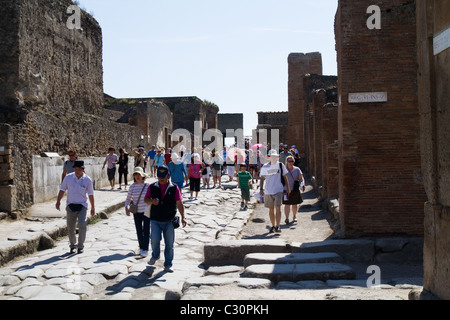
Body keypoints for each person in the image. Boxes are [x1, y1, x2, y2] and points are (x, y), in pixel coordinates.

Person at [144, 165, 187, 272]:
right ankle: (155, 255)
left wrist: (183, 217)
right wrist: (152, 201)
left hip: (169, 220)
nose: (161, 178)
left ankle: (168, 264)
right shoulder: (152, 186)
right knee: (154, 240)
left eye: (163, 176)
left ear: (168, 175)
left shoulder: (174, 187)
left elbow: (179, 203)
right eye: (159, 176)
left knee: (169, 243)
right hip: (155, 219)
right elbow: (146, 199)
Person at [56, 161, 95, 254]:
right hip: (70, 205)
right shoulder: (68, 177)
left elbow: (90, 194)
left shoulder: (87, 180)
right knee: (70, 227)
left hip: (82, 206)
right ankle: (72, 245)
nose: (77, 171)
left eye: (79, 169)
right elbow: (62, 189)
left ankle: (80, 246)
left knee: (82, 225)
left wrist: (93, 207)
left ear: (83, 170)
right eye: (75, 169)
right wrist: (58, 201)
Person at [259, 150, 290, 233]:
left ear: (277, 157)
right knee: (271, 209)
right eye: (272, 156)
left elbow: (285, 176)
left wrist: (287, 187)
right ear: (269, 157)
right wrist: (261, 189)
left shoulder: (280, 165)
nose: (273, 158)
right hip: (268, 190)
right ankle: (273, 225)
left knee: (278, 207)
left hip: (278, 190)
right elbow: (262, 178)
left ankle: (278, 226)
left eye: (274, 156)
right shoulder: (265, 167)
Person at [125, 167, 150, 257]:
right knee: (139, 230)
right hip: (136, 212)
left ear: (142, 175)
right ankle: (141, 247)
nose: (137, 176)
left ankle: (146, 248)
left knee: (146, 230)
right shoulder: (132, 186)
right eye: (135, 174)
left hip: (146, 211)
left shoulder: (148, 186)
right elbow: (128, 198)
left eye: (138, 174)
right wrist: (126, 207)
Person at [283, 155, 306, 224]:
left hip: (295, 189)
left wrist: (303, 183)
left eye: (292, 161)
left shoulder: (297, 169)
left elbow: (301, 178)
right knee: (287, 204)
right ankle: (287, 218)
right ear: (286, 162)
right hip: (286, 190)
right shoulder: (284, 169)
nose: (291, 162)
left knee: (294, 204)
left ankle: (294, 216)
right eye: (289, 161)